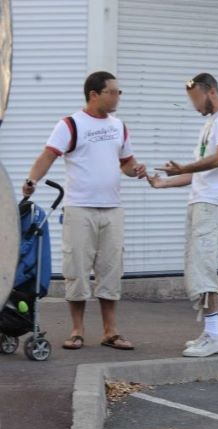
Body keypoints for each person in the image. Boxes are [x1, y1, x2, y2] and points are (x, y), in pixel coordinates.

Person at [22, 71, 147, 351]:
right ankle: (77, 330)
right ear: (94, 94)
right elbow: (48, 155)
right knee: (76, 269)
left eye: (119, 92)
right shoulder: (70, 124)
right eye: (113, 92)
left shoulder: (119, 126)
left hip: (112, 208)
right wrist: (32, 181)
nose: (118, 97)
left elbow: (126, 162)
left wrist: (135, 170)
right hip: (79, 207)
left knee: (111, 270)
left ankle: (110, 331)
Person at [147, 73, 218, 357]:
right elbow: (198, 175)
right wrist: (164, 182)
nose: (193, 106)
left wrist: (183, 168)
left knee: (204, 269)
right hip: (201, 201)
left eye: (195, 99)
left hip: (213, 204)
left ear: (210, 91)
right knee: (196, 269)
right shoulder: (211, 122)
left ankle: (215, 336)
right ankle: (209, 333)